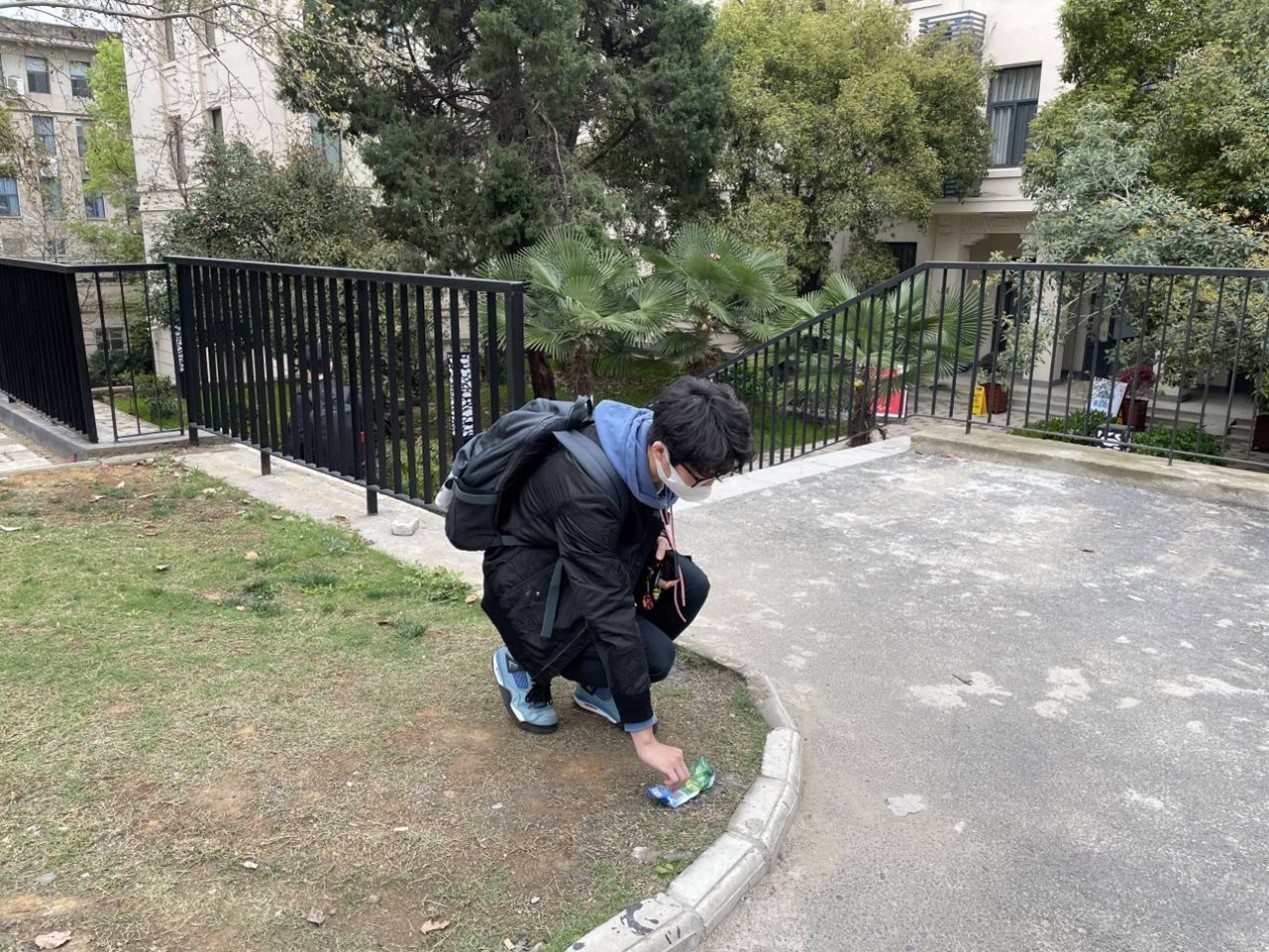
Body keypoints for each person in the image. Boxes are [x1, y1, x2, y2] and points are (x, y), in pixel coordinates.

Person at [480, 377, 753, 787]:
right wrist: (644, 737)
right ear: (660, 451)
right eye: (702, 476)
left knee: (688, 585)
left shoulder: (641, 437)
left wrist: (656, 538)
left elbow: (635, 510)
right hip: (530, 592)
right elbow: (608, 612)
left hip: (574, 566)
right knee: (653, 658)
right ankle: (521, 660)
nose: (708, 485)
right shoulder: (584, 490)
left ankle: (595, 685)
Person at [282, 343, 362, 476]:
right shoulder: (351, 394)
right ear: (330, 365)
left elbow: (295, 443)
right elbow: (370, 433)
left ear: (306, 371)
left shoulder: (302, 400)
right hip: (353, 470)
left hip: (318, 471)